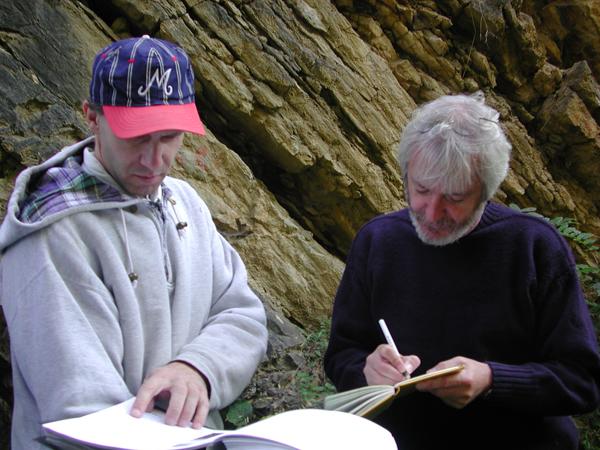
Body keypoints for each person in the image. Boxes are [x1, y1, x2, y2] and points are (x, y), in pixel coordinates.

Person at [0, 35, 268, 450]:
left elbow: (241, 313)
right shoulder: (51, 233)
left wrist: (196, 368)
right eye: (136, 136)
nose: (153, 159)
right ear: (91, 116)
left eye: (168, 137)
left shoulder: (185, 203)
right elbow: (82, 413)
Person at [324, 91, 600, 449]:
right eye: (421, 189)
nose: (432, 212)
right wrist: (366, 371)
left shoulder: (535, 248)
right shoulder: (378, 241)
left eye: (454, 198)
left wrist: (491, 379)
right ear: (406, 172)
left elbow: (582, 381)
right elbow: (342, 354)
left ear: (486, 191)